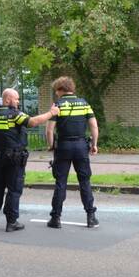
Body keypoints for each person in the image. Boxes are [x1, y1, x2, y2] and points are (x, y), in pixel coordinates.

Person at [0, 89, 58, 232]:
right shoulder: (14, 115)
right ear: (7, 100)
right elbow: (33, 122)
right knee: (14, 189)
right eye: (16, 99)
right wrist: (51, 113)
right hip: (14, 159)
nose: (18, 101)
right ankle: (11, 222)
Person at [45, 76, 99, 229]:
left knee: (61, 182)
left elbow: (49, 130)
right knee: (84, 182)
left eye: (56, 90)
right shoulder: (84, 104)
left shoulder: (58, 104)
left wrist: (51, 145)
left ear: (61, 89)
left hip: (63, 146)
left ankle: (55, 218)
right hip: (81, 147)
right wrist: (94, 145)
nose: (56, 94)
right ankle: (91, 217)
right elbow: (94, 127)